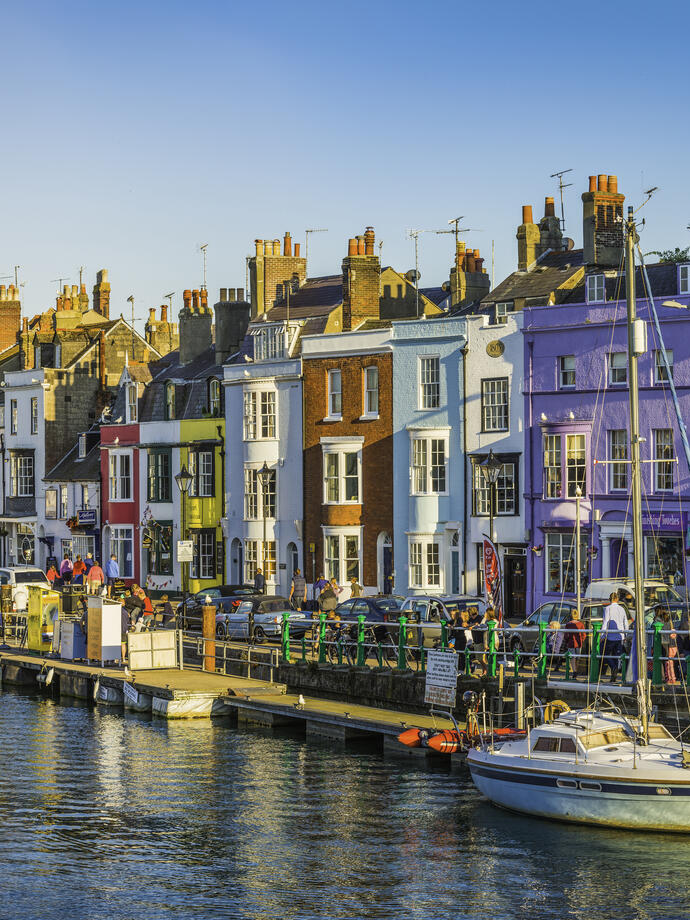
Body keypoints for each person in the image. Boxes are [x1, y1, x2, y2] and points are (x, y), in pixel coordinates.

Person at [602, 591, 627, 682]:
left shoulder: (607, 609)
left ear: (610, 599)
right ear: (617, 599)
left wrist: (602, 635)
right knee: (617, 655)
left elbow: (605, 622)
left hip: (610, 636)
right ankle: (614, 675)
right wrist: (625, 635)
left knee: (605, 653)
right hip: (620, 636)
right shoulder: (622, 609)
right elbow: (625, 622)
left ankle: (613, 668)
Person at [563, 610, 586, 679]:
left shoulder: (568, 624)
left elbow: (566, 635)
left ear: (571, 615)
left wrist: (566, 641)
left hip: (570, 643)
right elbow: (584, 635)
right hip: (579, 643)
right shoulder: (581, 624)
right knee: (578, 657)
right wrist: (581, 640)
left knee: (572, 658)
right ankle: (576, 669)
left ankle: (574, 671)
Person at [660, 609, 678, 685]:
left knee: (668, 663)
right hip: (674, 647)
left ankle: (669, 678)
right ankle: (673, 678)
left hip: (669, 646)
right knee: (671, 663)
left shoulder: (664, 625)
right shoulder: (672, 628)